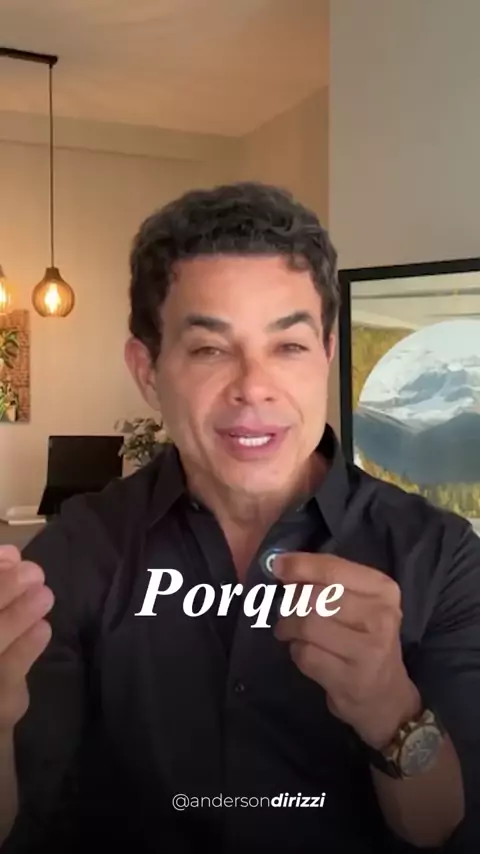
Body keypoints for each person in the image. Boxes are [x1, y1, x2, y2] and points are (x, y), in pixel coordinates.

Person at [0, 182, 479, 854]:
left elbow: (448, 830)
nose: (254, 386)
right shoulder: (75, 555)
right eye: (209, 349)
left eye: (289, 346)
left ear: (327, 353)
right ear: (147, 370)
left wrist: (391, 709)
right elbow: (24, 826)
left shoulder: (442, 556)